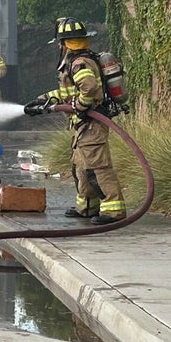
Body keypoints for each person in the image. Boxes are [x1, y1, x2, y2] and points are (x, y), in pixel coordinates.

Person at [23, 17, 125, 225]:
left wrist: (79, 108)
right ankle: (87, 207)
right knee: (81, 167)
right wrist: (43, 100)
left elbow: (88, 88)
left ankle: (114, 211)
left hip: (91, 123)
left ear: (63, 43)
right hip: (82, 125)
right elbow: (67, 92)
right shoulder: (75, 62)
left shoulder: (79, 63)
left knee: (97, 168)